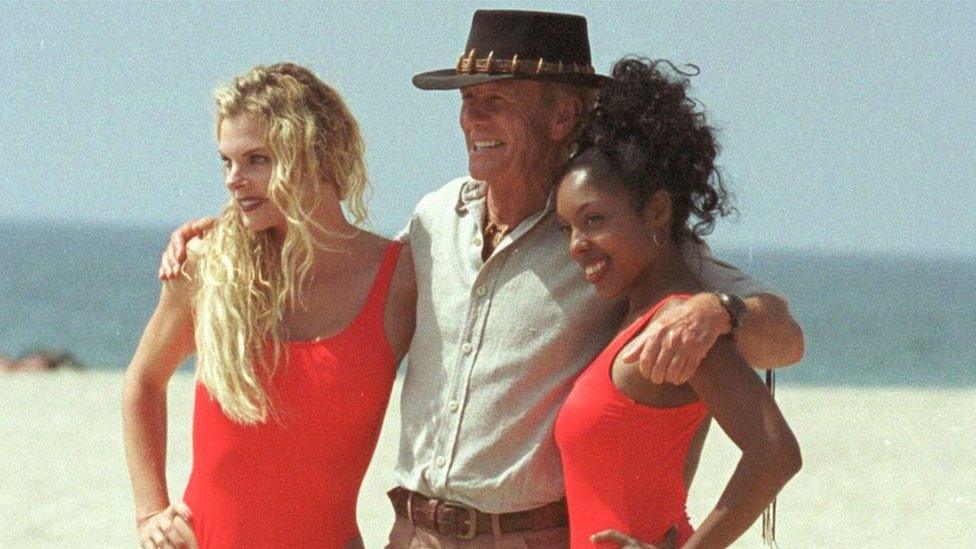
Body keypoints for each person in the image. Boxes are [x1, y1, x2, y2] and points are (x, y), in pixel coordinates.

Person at [159, 11, 804, 547]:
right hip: (410, 535)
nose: (472, 118)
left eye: (496, 101)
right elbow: (341, 262)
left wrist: (720, 311)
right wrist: (233, 228)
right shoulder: (434, 218)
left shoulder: (606, 235)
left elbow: (785, 339)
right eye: (468, 100)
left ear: (564, 117)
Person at [123, 63, 415, 548]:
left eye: (257, 159)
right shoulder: (207, 268)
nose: (234, 180)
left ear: (318, 155)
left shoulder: (401, 278)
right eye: (227, 161)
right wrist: (150, 511)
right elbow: (142, 381)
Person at [553, 57, 801, 548]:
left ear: (658, 210)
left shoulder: (682, 325)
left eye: (595, 220)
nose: (576, 245)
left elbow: (775, 453)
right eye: (568, 229)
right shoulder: (639, 321)